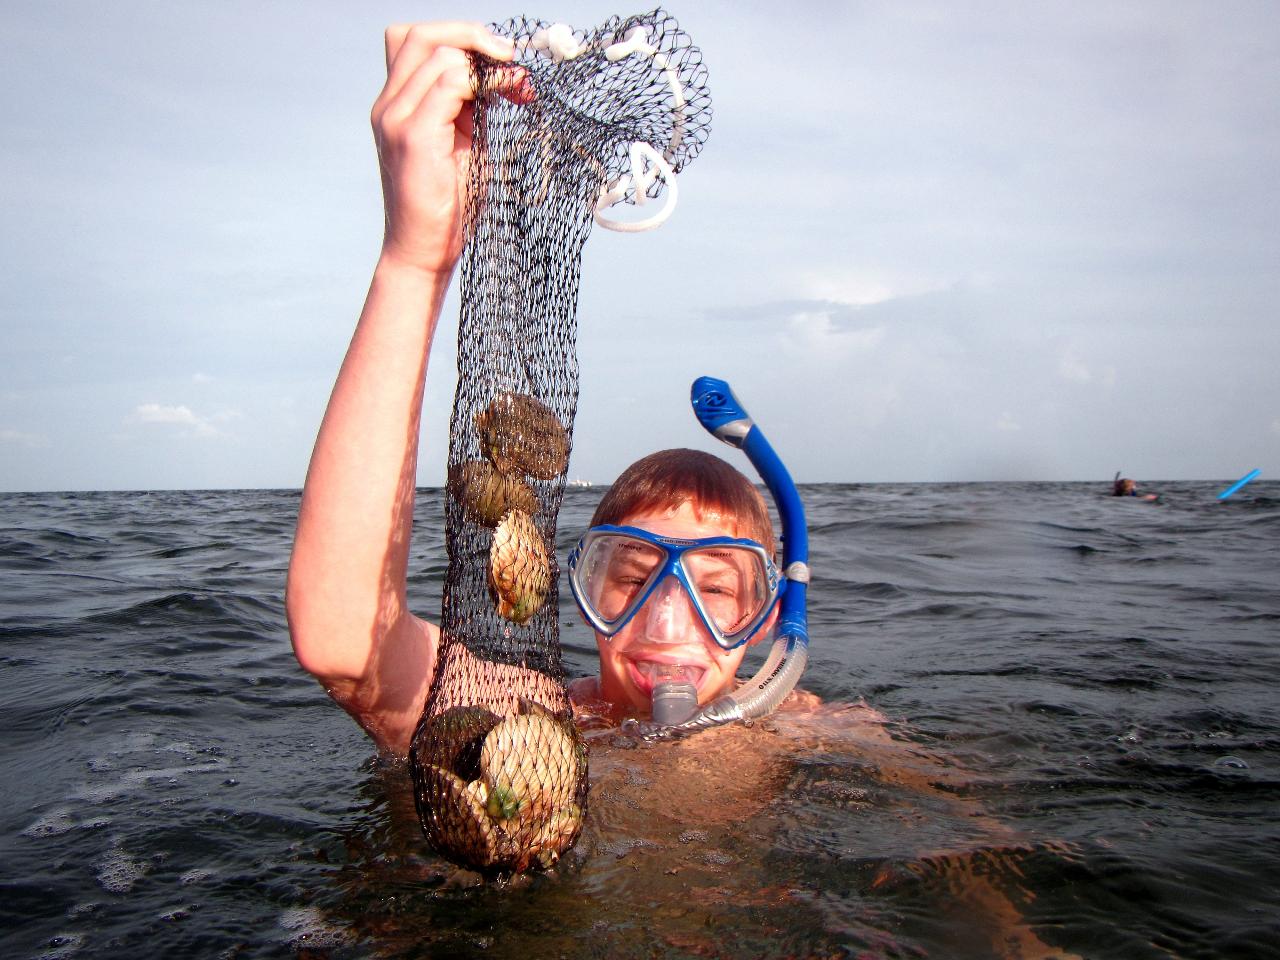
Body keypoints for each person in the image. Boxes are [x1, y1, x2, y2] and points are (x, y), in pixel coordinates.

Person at [285, 21, 793, 757]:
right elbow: (343, 643)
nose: (668, 624)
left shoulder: (809, 732)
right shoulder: (528, 720)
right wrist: (415, 259)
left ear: (766, 615)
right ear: (583, 598)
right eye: (633, 578)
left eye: (716, 590)